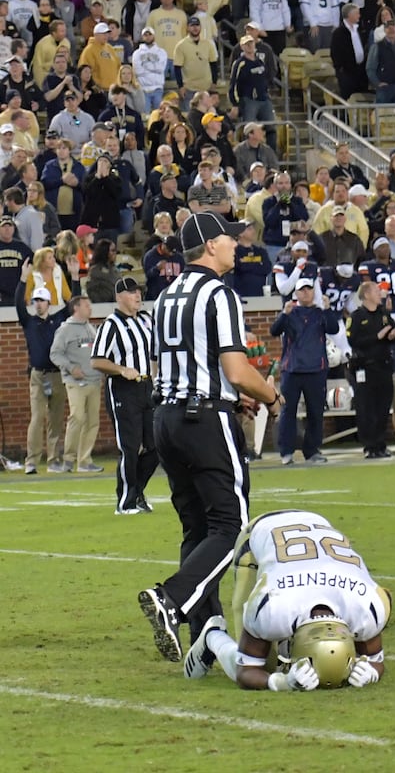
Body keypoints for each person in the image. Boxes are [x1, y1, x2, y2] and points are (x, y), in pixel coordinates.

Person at [139, 211, 283, 663]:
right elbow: (237, 371)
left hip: (167, 416)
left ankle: (205, 633)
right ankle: (173, 598)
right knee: (230, 524)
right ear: (208, 245)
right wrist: (271, 395)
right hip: (204, 418)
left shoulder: (165, 296)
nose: (237, 244)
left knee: (196, 528)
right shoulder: (219, 293)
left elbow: (187, 363)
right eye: (229, 237)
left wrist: (228, 395)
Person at [181, 509, 389, 692]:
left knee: (265, 655)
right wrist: (281, 682)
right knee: (262, 664)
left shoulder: (366, 608)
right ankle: (212, 636)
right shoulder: (274, 609)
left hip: (315, 524)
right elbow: (246, 671)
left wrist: (371, 672)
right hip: (259, 535)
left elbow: (376, 661)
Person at [91, 276, 156, 513]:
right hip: (123, 389)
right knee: (129, 447)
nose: (137, 296)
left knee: (156, 444)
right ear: (119, 297)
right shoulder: (111, 324)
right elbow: (97, 360)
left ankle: (137, 491)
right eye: (131, 292)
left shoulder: (147, 320)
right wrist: (121, 369)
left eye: (138, 291)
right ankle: (125, 502)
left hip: (147, 387)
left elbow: (155, 354)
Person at [271, 278, 340, 466]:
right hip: (292, 369)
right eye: (302, 290)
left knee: (315, 412)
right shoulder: (290, 313)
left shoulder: (320, 313)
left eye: (309, 289)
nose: (306, 293)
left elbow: (333, 328)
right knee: (288, 412)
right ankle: (286, 451)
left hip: (316, 369)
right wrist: (284, 315)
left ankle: (312, 450)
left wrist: (327, 309)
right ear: (297, 294)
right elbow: (274, 331)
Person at [50, 295, 103, 473]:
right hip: (76, 382)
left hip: (94, 381)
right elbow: (55, 354)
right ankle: (69, 459)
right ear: (76, 308)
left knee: (92, 422)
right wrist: (71, 368)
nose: (90, 308)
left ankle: (84, 460)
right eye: (87, 305)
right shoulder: (65, 330)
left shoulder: (91, 329)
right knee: (77, 418)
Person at [347, 281, 395, 459]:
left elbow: (393, 332)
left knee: (383, 408)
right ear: (367, 295)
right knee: (366, 409)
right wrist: (376, 337)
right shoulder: (356, 316)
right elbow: (353, 341)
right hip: (365, 367)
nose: (380, 293)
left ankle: (380, 444)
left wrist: (393, 335)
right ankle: (369, 446)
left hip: (384, 366)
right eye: (376, 291)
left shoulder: (384, 313)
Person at [20, 285, 70, 474]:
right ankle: (31, 461)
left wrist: (74, 278)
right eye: (35, 301)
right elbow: (18, 305)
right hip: (38, 375)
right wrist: (23, 281)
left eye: (41, 301)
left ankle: (53, 460)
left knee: (55, 420)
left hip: (56, 375)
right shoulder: (29, 322)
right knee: (37, 417)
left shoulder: (57, 321)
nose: (38, 304)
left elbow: (70, 306)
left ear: (49, 303)